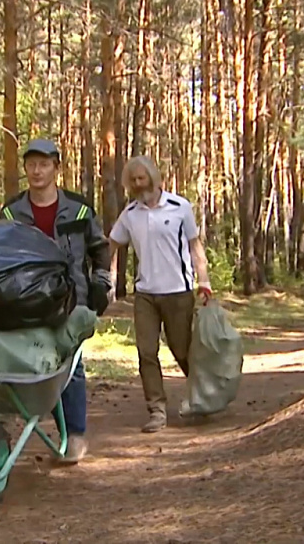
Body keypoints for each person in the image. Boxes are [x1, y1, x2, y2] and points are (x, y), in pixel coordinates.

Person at [0, 137, 112, 464]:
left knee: (70, 365)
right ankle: (8, 425)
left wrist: (101, 284)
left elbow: (99, 248)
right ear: (25, 169)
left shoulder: (78, 208)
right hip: (26, 300)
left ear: (56, 168)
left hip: (72, 297)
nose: (37, 171)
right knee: (21, 360)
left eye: (44, 164)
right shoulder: (10, 212)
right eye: (31, 164)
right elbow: (0, 254)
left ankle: (74, 436)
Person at [107, 155, 213, 433]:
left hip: (178, 291)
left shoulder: (180, 207)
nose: (138, 184)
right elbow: (112, 244)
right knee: (146, 352)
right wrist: (104, 274)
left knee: (182, 349)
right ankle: (157, 410)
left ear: (153, 177)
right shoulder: (130, 214)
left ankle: (205, 396)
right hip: (145, 294)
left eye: (141, 178)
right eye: (133, 180)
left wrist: (204, 280)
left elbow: (195, 246)